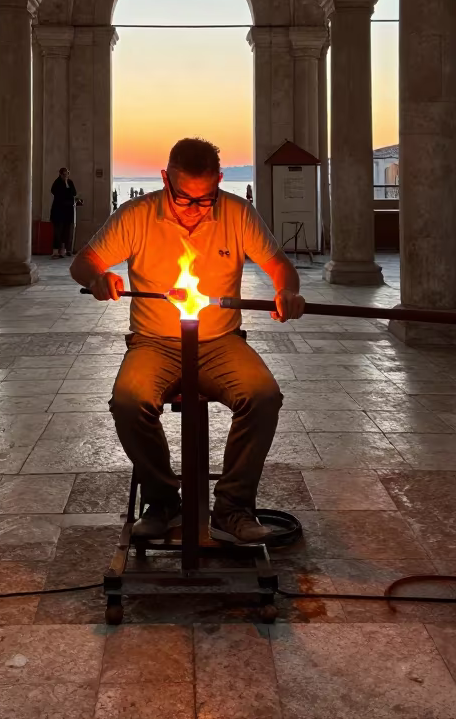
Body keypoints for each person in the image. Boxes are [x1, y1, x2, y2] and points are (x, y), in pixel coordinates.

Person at [70, 137, 305, 545]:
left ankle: (232, 509)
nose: (195, 210)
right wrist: (96, 278)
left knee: (263, 396)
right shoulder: (137, 216)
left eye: (205, 198)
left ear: (219, 181)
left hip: (219, 341)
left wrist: (286, 290)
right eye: (184, 199)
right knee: (128, 400)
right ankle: (162, 501)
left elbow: (279, 265)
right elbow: (83, 262)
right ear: (165, 179)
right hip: (154, 342)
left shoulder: (236, 212)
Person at [50, 167, 81, 257]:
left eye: (67, 174)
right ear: (60, 174)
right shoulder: (57, 183)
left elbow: (74, 193)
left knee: (66, 231)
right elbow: (55, 192)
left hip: (68, 211)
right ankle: (55, 251)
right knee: (57, 232)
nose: (66, 176)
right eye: (64, 174)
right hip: (58, 211)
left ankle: (63, 250)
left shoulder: (70, 182)